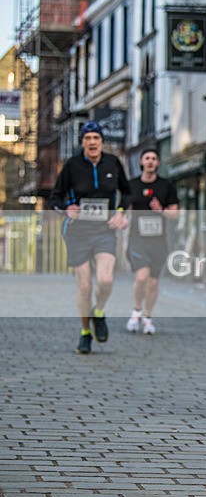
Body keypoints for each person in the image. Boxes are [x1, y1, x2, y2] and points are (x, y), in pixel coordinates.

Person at [48, 121, 131, 354]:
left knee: (105, 280)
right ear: (82, 142)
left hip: (104, 231)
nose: (92, 142)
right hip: (78, 234)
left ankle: (99, 312)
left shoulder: (113, 163)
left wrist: (120, 213)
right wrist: (67, 208)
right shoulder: (72, 166)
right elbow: (55, 198)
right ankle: (85, 333)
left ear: (102, 142)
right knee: (84, 287)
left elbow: (126, 192)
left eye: (96, 138)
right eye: (88, 138)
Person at [125, 149, 179, 335]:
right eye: (147, 158)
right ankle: (136, 310)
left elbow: (175, 213)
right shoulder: (131, 184)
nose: (150, 161)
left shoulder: (166, 185)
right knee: (141, 277)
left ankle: (147, 317)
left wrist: (161, 210)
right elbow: (123, 207)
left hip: (158, 241)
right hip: (137, 239)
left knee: (153, 283)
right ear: (141, 161)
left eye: (154, 158)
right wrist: (121, 218)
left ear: (158, 163)